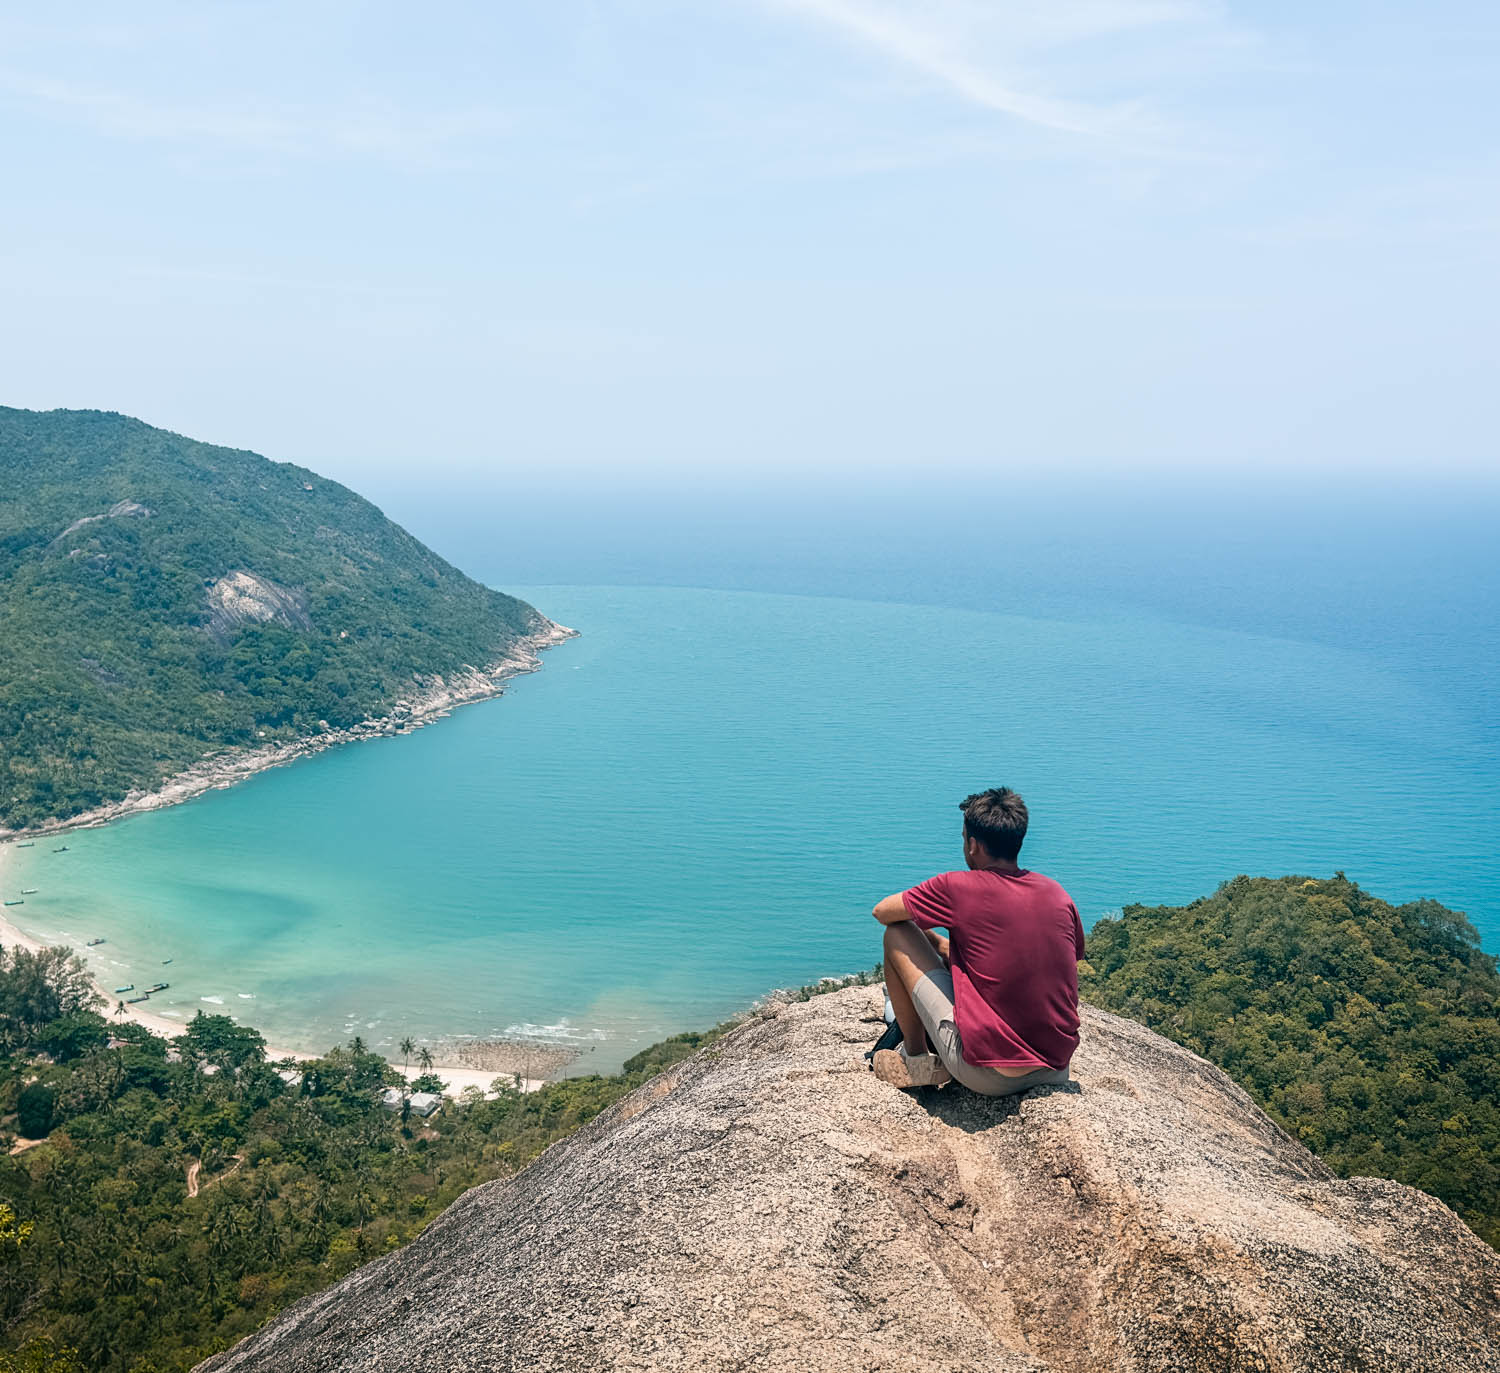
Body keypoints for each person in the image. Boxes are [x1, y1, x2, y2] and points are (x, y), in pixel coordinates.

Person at [870, 788, 1084, 1094]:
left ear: (972, 845)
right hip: (1056, 1068)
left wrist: (924, 931)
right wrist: (945, 947)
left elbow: (883, 912)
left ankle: (915, 1060)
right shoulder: (1057, 894)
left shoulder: (957, 887)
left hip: (990, 1075)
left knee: (897, 934)